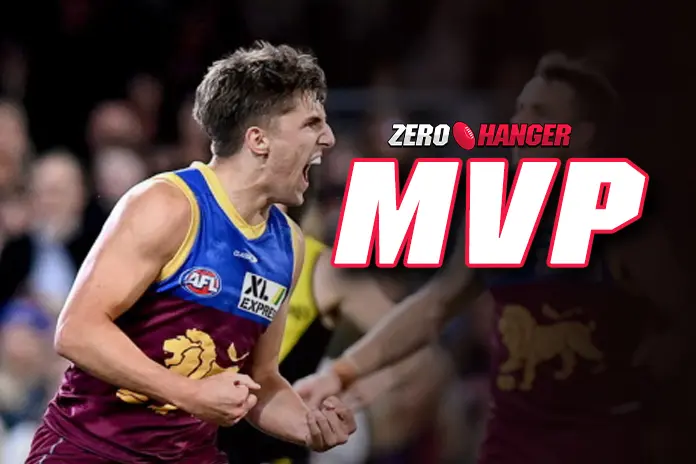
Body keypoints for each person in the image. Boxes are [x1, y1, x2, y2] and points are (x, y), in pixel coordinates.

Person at [295, 52, 692, 464]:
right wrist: (341, 372)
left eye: (540, 113)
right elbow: (433, 307)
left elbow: (683, 318)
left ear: (582, 135)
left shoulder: (626, 220)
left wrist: (653, 372)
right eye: (520, 110)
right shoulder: (499, 213)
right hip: (513, 441)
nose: (520, 124)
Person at [25, 41, 356, 464]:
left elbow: (261, 379)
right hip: (91, 447)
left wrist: (308, 426)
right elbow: (77, 330)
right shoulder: (167, 205)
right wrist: (190, 393)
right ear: (258, 140)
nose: (328, 138)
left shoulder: (287, 244)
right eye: (312, 124)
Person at [218, 200, 396, 464]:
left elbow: (409, 326)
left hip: (273, 449)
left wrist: (360, 376)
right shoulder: (199, 249)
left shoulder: (320, 268)